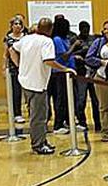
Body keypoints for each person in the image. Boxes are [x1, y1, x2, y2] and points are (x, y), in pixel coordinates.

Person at [9, 17, 76, 154]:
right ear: (50, 29)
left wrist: (19, 65)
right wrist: (65, 69)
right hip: (37, 83)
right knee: (39, 116)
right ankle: (38, 144)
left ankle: (41, 139)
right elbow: (48, 61)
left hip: (25, 81)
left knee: (37, 114)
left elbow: (12, 49)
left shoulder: (27, 38)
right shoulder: (47, 41)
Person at [85, 20, 108, 142]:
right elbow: (88, 58)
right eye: (105, 29)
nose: (107, 31)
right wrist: (100, 62)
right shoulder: (98, 42)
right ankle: (105, 132)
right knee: (104, 106)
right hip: (102, 77)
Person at [49, 17, 78, 133]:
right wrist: (74, 46)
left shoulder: (65, 39)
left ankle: (67, 120)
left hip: (70, 71)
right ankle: (58, 124)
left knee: (69, 98)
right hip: (60, 73)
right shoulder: (57, 39)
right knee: (61, 99)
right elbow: (64, 56)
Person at [74, 20, 101, 131]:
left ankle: (98, 123)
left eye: (87, 28)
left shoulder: (94, 39)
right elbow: (68, 53)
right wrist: (79, 52)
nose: (86, 31)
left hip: (93, 73)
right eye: (83, 29)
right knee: (81, 100)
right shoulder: (75, 40)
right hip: (81, 73)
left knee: (96, 100)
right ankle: (82, 121)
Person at [3, 14, 28, 124]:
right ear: (11, 26)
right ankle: (17, 113)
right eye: (15, 24)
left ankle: (31, 111)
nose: (17, 26)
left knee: (28, 90)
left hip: (27, 66)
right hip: (14, 68)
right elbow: (6, 54)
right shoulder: (8, 38)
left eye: (19, 24)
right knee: (16, 91)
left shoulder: (26, 37)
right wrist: (4, 67)